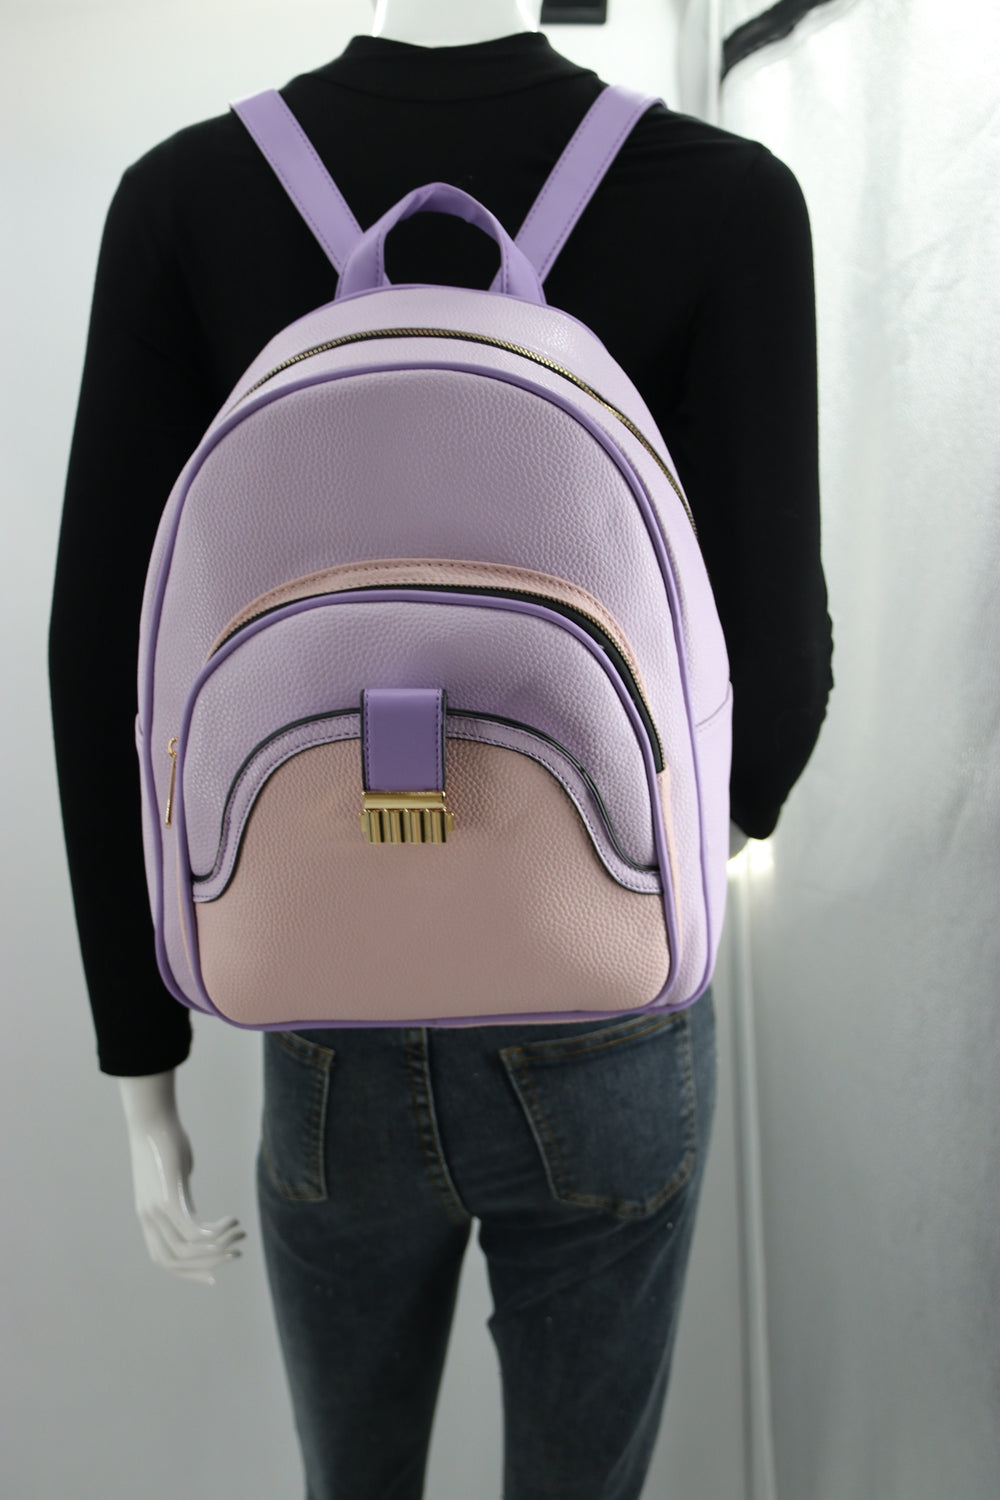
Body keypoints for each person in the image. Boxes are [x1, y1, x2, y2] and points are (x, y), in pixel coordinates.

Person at [48, 0, 833, 1494]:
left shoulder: (184, 197)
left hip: (314, 990)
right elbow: (779, 675)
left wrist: (142, 1068)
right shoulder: (728, 196)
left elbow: (100, 662)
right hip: (611, 1000)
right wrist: (652, 859)